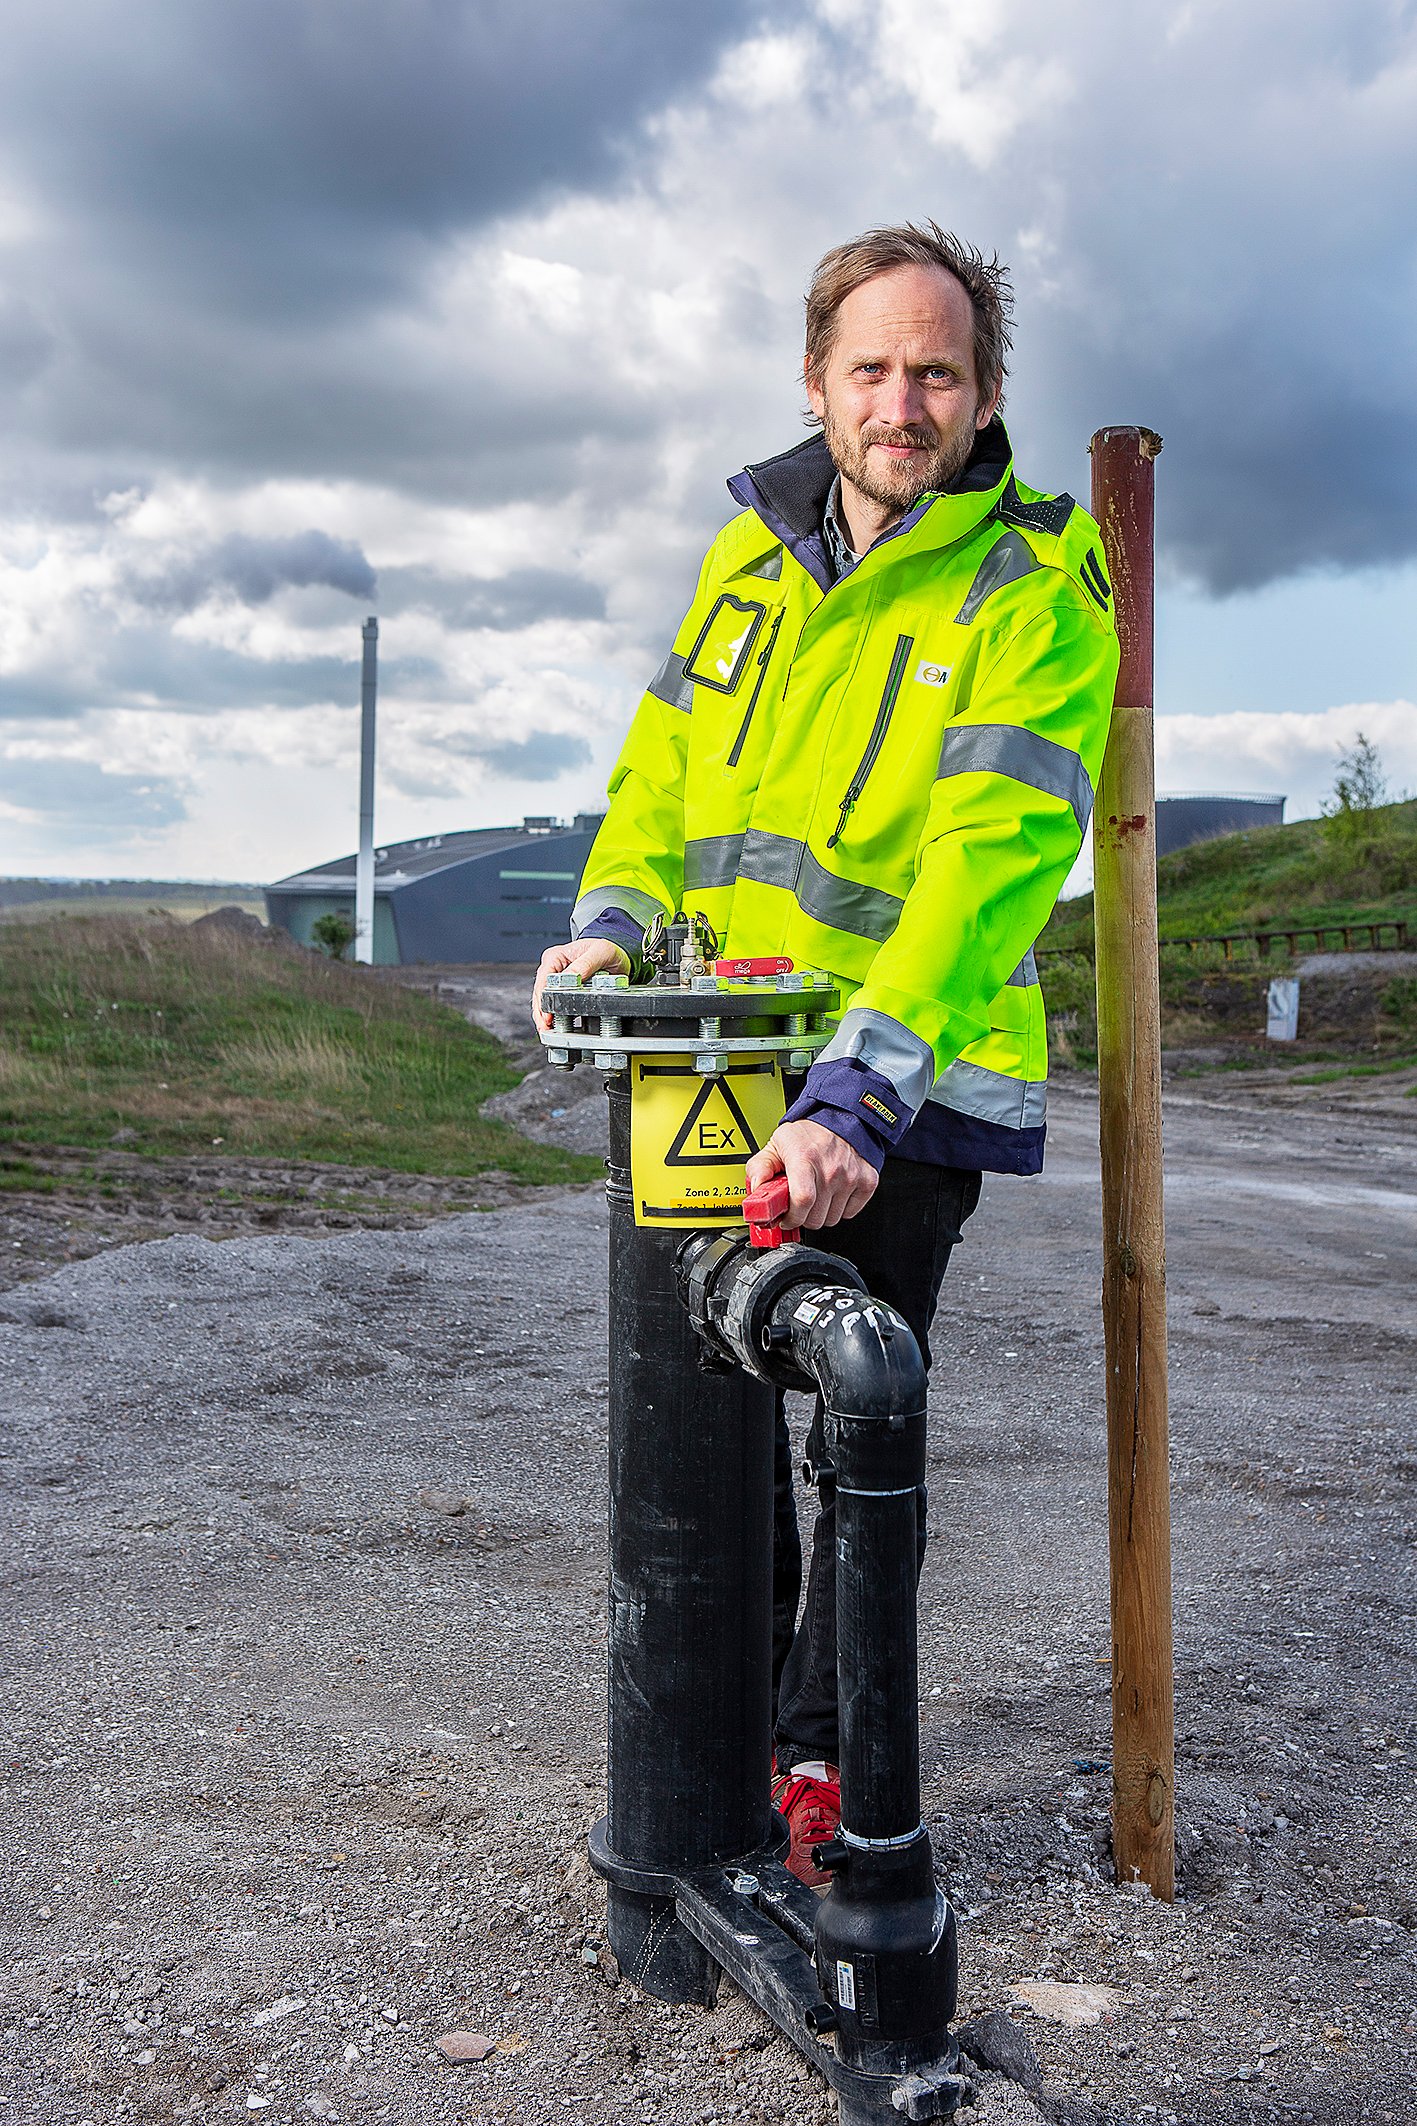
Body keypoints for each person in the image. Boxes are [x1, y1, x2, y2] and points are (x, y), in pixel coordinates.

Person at [533, 222, 1118, 1883]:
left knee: (854, 1410)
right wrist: (609, 918)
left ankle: (824, 1758)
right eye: (871, 366)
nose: (900, 399)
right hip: (707, 1061)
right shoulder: (746, 558)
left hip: (896, 1087)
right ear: (817, 379)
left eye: (936, 370)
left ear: (984, 392)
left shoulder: (1033, 582)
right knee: (709, 1410)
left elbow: (988, 857)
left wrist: (859, 1090)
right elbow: (660, 773)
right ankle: (740, 1731)